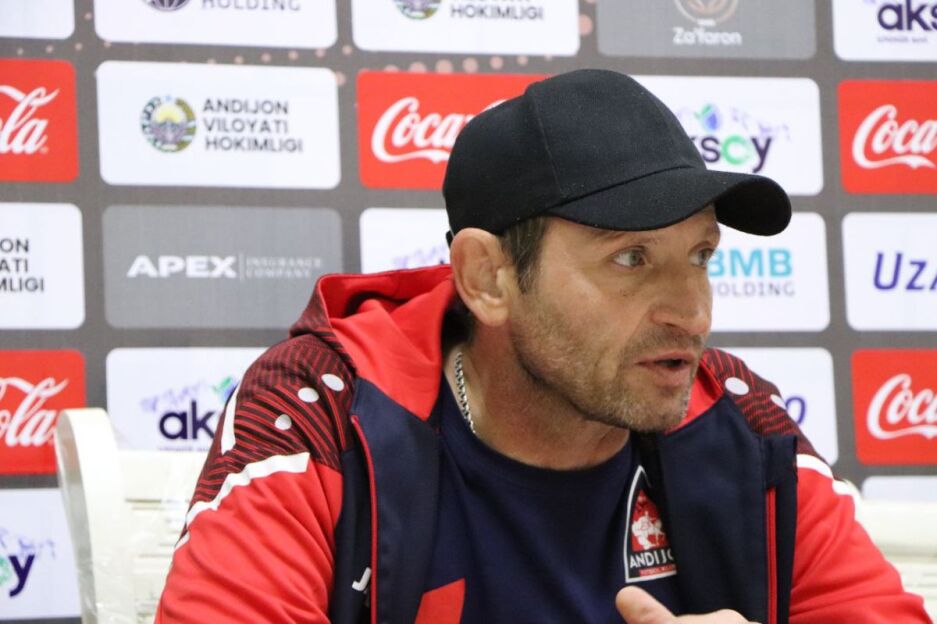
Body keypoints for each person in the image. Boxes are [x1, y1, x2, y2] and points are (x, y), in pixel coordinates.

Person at [155, 70, 929, 623]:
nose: (691, 315)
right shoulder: (323, 410)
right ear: (487, 278)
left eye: (699, 256)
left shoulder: (733, 421)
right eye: (631, 259)